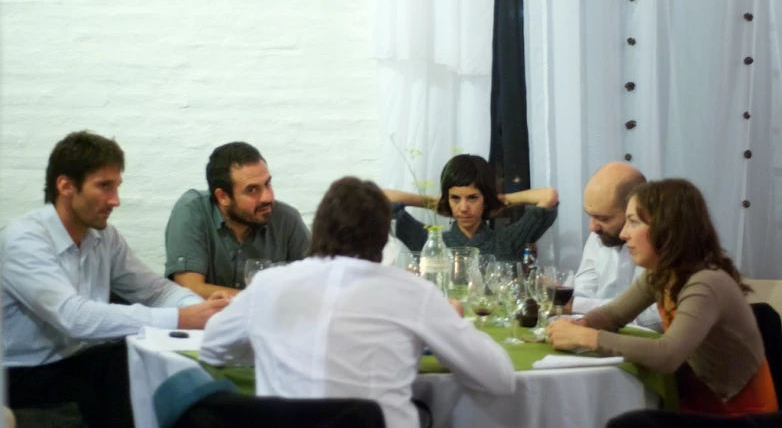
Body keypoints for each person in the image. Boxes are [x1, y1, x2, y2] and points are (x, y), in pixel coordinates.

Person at [200, 176, 516, 428]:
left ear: (318, 228)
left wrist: (271, 343)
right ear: (383, 239)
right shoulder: (412, 292)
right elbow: (500, 378)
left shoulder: (268, 285)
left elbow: (212, 347)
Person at [1, 131, 229, 428]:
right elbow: (74, 317)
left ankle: (222, 407)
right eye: (104, 187)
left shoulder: (103, 236)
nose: (116, 200)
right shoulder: (23, 240)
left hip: (72, 361)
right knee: (122, 362)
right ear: (66, 186)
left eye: (117, 186)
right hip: (18, 373)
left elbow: (155, 290)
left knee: (137, 357)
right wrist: (181, 318)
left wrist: (202, 309)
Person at [547, 179, 778, 415]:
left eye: (634, 222)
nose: (625, 234)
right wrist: (582, 323)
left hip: (742, 416)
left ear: (668, 229)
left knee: (629, 421)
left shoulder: (706, 282)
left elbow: (667, 355)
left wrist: (587, 337)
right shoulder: (661, 274)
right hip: (697, 407)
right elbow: (613, 314)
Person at [164, 142, 310, 298]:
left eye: (267, 183)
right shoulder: (192, 210)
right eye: (252, 190)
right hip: (207, 321)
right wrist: (257, 301)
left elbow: (317, 282)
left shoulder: (287, 219)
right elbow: (189, 289)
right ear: (223, 197)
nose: (268, 197)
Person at [384, 154, 558, 260]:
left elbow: (548, 196)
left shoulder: (509, 241)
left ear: (485, 199)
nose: (463, 208)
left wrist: (500, 200)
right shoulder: (429, 242)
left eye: (472, 198)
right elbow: (380, 197)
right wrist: (435, 202)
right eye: (455, 198)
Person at [568, 162, 663, 331]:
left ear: (635, 208)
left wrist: (573, 305)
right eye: (590, 216)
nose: (592, 227)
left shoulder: (662, 242)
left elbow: (653, 318)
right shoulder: (599, 234)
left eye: (603, 218)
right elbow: (584, 290)